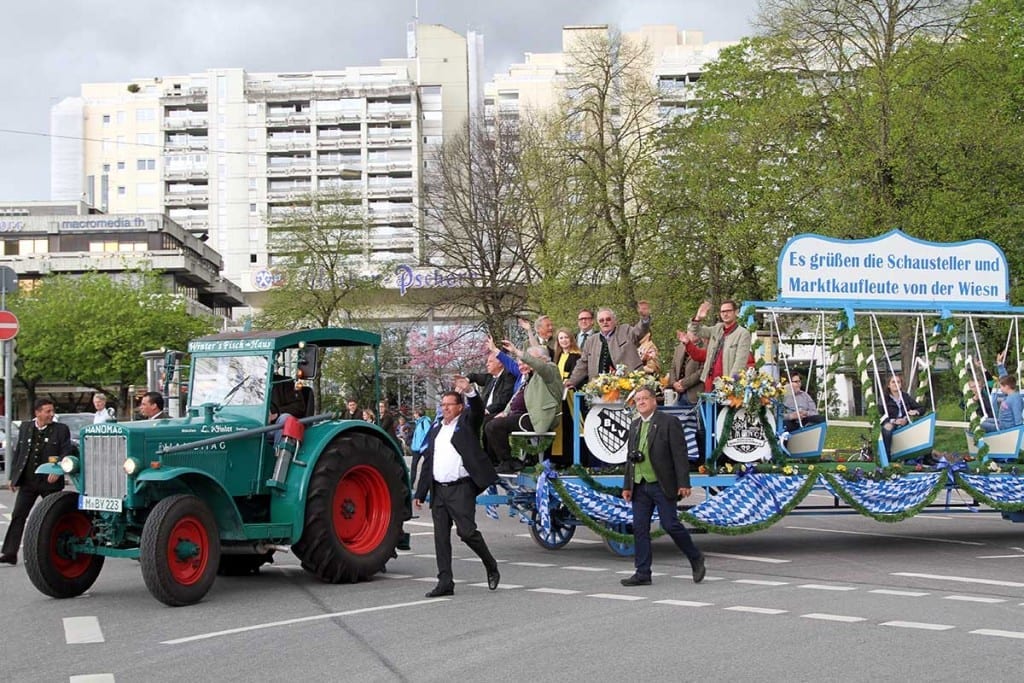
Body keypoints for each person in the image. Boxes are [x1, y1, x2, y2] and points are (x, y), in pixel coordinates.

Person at [413, 378, 500, 598]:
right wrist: (420, 493)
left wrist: (470, 391)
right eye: (443, 405)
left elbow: (478, 409)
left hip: (461, 489)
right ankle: (445, 582)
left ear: (459, 407)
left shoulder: (466, 423)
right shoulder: (435, 429)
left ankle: (490, 564)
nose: (445, 409)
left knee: (466, 532)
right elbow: (428, 463)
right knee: (441, 538)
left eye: (449, 405)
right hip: (439, 491)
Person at [619, 386, 705, 586]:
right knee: (640, 527)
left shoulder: (668, 422)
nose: (640, 402)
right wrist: (627, 485)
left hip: (661, 483)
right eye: (637, 399)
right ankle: (642, 572)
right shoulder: (635, 426)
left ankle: (695, 557)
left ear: (653, 401)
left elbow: (680, 454)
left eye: (644, 399)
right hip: (640, 485)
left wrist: (684, 482)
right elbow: (629, 459)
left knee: (670, 524)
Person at [1, 398, 73, 565]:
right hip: (28, 481)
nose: (51, 414)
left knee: (55, 516)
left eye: (52, 411)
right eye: (47, 411)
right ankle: (10, 552)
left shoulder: (61, 430)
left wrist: (59, 469)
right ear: (37, 412)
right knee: (18, 514)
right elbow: (19, 451)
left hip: (49, 481)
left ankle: (58, 551)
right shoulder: (26, 427)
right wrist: (13, 477)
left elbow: (66, 451)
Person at [486, 343, 564, 473]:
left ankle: (509, 462)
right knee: (489, 422)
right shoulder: (530, 376)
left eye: (529, 359)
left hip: (535, 417)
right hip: (520, 415)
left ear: (542, 359)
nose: (527, 362)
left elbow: (539, 366)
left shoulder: (550, 370)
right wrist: (505, 413)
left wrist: (516, 351)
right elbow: (516, 397)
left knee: (494, 426)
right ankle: (503, 461)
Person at [566, 301, 652, 389]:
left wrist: (644, 318)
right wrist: (572, 381)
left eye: (608, 319)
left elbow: (640, 331)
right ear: (598, 323)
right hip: (599, 388)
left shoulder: (625, 331)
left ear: (615, 320)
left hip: (627, 385)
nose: (605, 322)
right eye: (601, 320)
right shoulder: (591, 341)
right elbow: (582, 364)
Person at [688, 299, 752, 392]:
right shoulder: (717, 328)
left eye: (728, 311)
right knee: (708, 406)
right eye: (722, 312)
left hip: (727, 384)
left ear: (736, 312)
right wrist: (698, 318)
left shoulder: (742, 333)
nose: (725, 314)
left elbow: (740, 363)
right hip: (710, 381)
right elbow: (696, 331)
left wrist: (730, 384)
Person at [552, 328, 581, 461]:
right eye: (561, 338)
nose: (564, 340)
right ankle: (560, 459)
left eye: (566, 337)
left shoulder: (577, 355)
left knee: (570, 425)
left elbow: (577, 374)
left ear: (571, 339)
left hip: (570, 395)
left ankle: (572, 458)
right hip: (559, 394)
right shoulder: (557, 357)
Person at [880, 375, 922, 458]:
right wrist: (894, 421)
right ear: (889, 385)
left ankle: (926, 456)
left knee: (920, 427)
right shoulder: (884, 398)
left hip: (905, 422)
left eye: (898, 382)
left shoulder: (905, 397)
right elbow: (880, 414)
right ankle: (887, 457)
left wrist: (916, 411)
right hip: (891, 422)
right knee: (887, 428)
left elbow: (921, 408)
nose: (896, 384)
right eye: (893, 382)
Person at [669, 331, 704, 407]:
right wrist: (674, 383)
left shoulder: (704, 348)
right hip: (678, 395)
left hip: (695, 395)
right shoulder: (679, 348)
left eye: (695, 331)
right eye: (691, 331)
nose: (694, 333)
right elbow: (672, 368)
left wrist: (684, 383)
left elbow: (702, 371)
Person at [409, 407, 434, 489]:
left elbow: (428, 434)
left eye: (415, 413)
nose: (414, 415)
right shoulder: (418, 423)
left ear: (418, 414)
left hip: (423, 448)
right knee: (413, 467)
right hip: (416, 449)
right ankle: (411, 484)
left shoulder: (425, 422)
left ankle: (430, 484)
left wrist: (425, 446)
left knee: (427, 466)